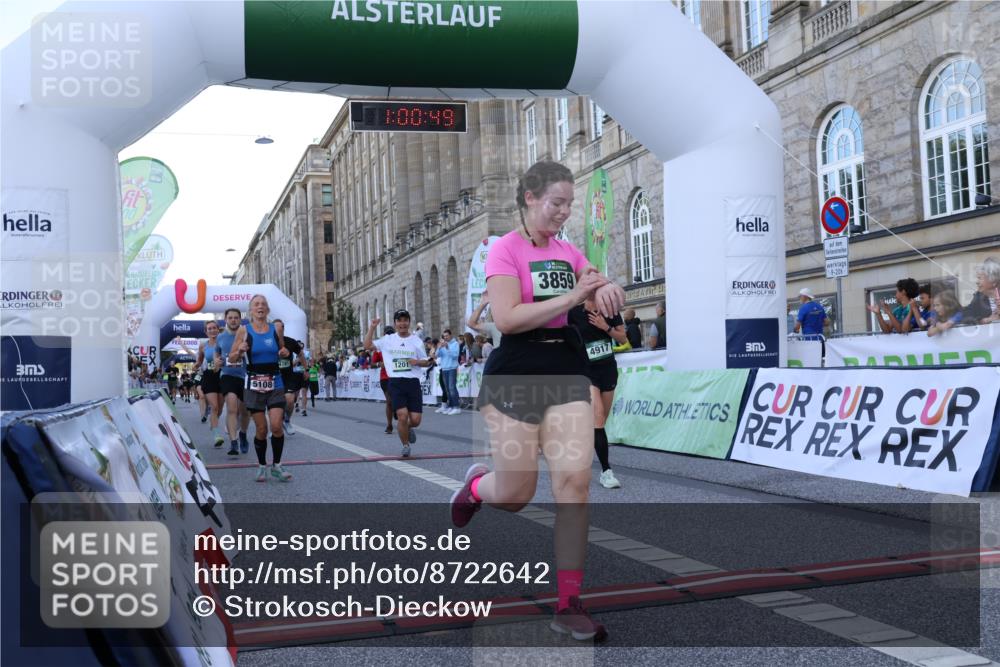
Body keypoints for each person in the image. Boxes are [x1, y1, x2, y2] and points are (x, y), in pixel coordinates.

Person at [449, 160, 624, 641]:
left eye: (569, 203)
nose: (565, 212)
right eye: (557, 203)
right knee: (516, 494)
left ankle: (569, 603)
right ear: (530, 197)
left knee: (574, 483)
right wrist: (572, 300)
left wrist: (609, 288)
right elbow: (506, 319)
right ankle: (479, 488)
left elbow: (595, 278)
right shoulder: (503, 250)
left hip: (566, 368)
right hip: (516, 371)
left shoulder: (568, 250)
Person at [229, 294, 292, 483]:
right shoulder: (243, 330)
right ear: (251, 310)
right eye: (256, 304)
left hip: (275, 381)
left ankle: (278, 466)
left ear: (268, 310)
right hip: (254, 383)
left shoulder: (276, 328)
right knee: (262, 429)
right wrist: (239, 351)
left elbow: (282, 351)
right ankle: (262, 466)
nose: (260, 307)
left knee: (276, 425)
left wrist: (284, 352)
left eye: (263, 304)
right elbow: (232, 358)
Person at [568, 299, 627, 489]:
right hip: (587, 371)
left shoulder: (610, 310)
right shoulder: (574, 312)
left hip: (608, 369)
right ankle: (606, 471)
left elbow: (623, 339)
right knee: (598, 417)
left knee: (598, 424)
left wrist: (605, 327)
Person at [364, 310, 433, 457]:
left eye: (405, 320)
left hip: (413, 383)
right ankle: (406, 445)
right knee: (402, 415)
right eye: (399, 321)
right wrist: (372, 327)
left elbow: (427, 362)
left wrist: (417, 362)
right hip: (395, 382)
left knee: (415, 420)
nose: (402, 323)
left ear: (409, 322)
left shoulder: (416, 341)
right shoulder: (388, 339)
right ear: (395, 323)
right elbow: (367, 345)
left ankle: (408, 428)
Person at [216, 308, 251, 456]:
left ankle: (242, 433)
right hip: (227, 375)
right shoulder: (220, 337)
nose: (233, 320)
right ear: (226, 319)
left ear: (240, 319)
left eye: (236, 318)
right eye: (230, 318)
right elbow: (217, 354)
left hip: (245, 376)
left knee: (245, 411)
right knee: (232, 408)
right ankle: (233, 442)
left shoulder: (247, 335)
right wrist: (217, 361)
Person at [195, 322, 225, 447]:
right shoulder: (203, 346)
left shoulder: (224, 343)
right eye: (209, 329)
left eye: (214, 328)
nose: (212, 330)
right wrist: (196, 365)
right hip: (209, 377)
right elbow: (200, 360)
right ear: (206, 332)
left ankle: (213, 423)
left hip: (223, 376)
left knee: (220, 409)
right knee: (215, 407)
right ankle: (217, 435)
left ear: (218, 330)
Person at [273, 320, 304, 436]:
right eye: (275, 328)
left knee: (290, 401)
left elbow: (300, 354)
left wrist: (306, 369)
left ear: (283, 328)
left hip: (288, 376)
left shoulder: (290, 342)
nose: (278, 330)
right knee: (274, 404)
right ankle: (275, 426)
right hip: (274, 377)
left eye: (280, 327)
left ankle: (286, 421)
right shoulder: (269, 343)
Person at [371, 325, 395, 434]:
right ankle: (389, 425)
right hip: (385, 377)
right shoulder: (379, 347)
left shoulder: (398, 345)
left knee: (396, 400)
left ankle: (396, 409)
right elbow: (372, 364)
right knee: (389, 401)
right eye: (387, 334)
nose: (389, 336)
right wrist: (379, 364)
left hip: (397, 376)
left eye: (391, 334)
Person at [961, 258, 1000, 324]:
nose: (977, 282)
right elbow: (965, 316)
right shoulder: (978, 297)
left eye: (980, 278)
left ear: (993, 280)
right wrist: (984, 320)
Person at [436, 329, 461, 415]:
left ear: (450, 335)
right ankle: (451, 406)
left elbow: (455, 356)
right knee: (447, 389)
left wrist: (448, 348)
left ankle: (456, 407)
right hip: (444, 369)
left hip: (452, 368)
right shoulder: (443, 345)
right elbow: (437, 355)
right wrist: (439, 348)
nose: (445, 337)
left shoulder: (455, 344)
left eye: (447, 335)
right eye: (444, 336)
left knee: (451, 388)